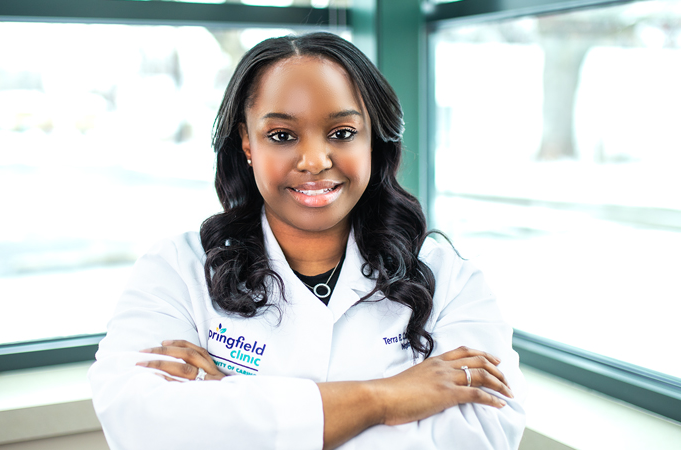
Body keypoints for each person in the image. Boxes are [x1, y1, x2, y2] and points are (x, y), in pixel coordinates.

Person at [88, 32, 525, 450]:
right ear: (246, 142)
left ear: (374, 139)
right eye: (282, 135)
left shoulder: (449, 278)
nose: (315, 161)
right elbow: (141, 426)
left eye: (342, 133)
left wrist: (234, 407)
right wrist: (384, 398)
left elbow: (482, 433)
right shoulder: (175, 270)